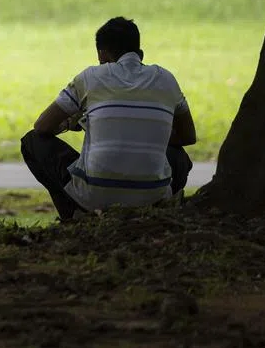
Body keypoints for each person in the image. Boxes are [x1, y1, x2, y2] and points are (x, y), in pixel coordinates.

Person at [21, 17, 196, 221]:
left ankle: (73, 217)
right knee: (179, 157)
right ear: (140, 54)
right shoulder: (166, 79)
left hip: (94, 197)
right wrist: (146, 134)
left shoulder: (90, 77)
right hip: (152, 196)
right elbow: (188, 136)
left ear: (102, 54)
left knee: (32, 141)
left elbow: (42, 126)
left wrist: (69, 123)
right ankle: (161, 210)